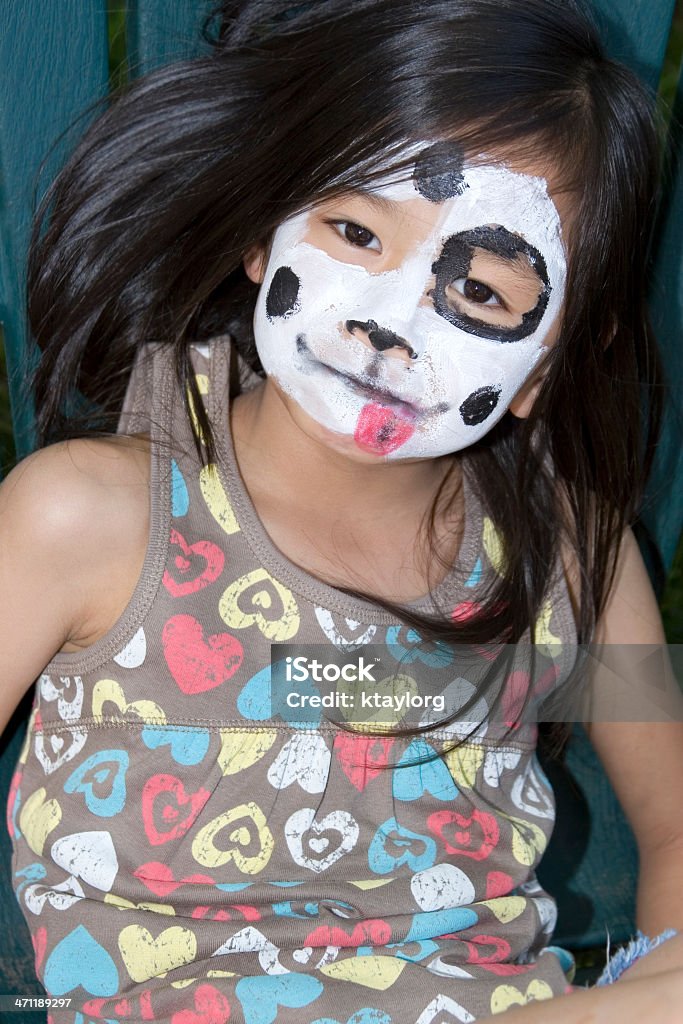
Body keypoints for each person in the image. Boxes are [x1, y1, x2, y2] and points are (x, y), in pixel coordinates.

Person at [1, 0, 683, 1020]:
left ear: (550, 363)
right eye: (356, 231)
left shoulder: (567, 558)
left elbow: (672, 821)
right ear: (257, 232)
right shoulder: (91, 521)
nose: (385, 323)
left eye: (483, 293)